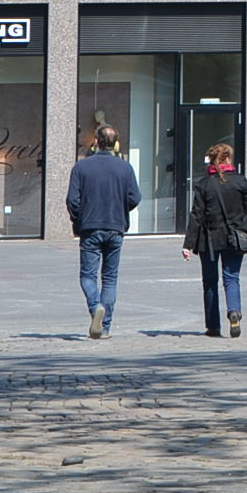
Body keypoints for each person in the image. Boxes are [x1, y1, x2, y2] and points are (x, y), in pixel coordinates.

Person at [65, 126, 141, 339]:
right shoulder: (125, 168)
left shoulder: (81, 167)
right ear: (115, 143)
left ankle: (95, 306)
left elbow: (73, 200)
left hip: (90, 227)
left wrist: (80, 217)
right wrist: (119, 207)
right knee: (110, 278)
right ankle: (105, 326)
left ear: (96, 141)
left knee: (88, 275)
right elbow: (135, 197)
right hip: (115, 227)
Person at [181, 141, 247, 339]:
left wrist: (188, 244)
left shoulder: (204, 184)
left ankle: (213, 326)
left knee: (210, 281)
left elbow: (196, 215)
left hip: (209, 239)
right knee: (231, 278)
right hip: (233, 237)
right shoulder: (240, 181)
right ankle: (234, 312)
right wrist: (242, 224)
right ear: (229, 159)